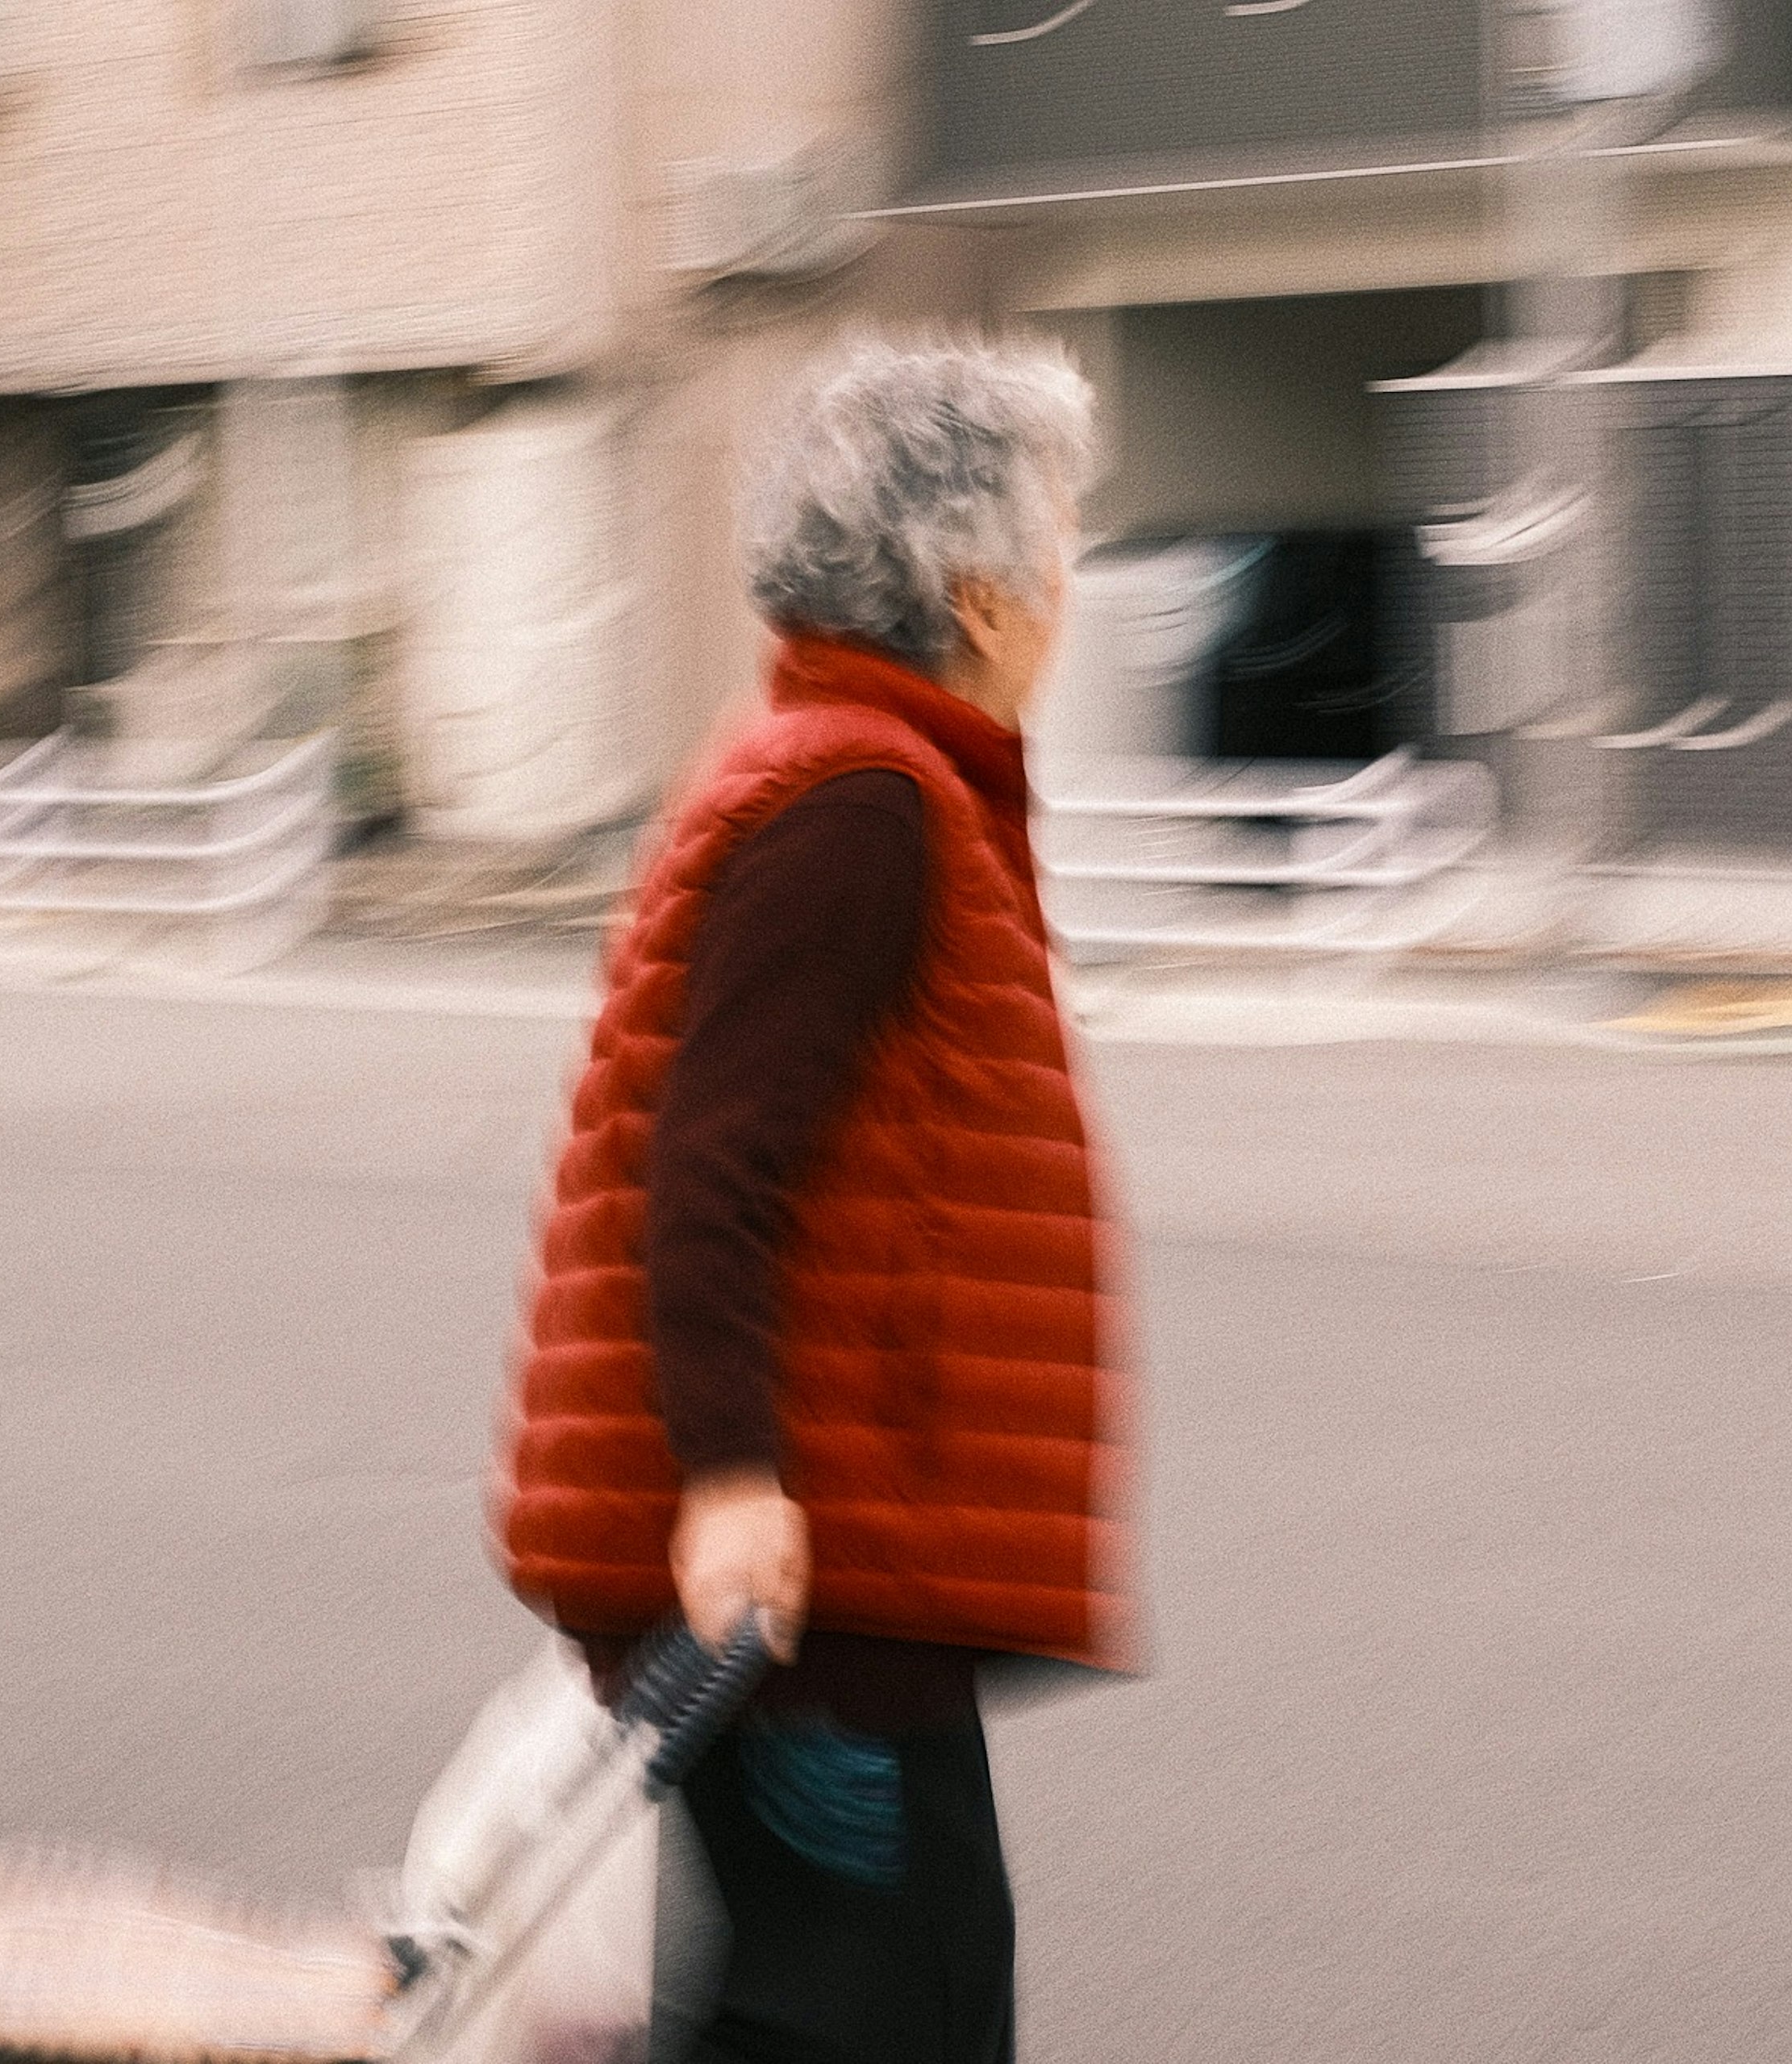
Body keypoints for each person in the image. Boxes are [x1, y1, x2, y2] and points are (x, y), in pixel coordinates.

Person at [490, 333, 1133, 2064]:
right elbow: (711, 1163)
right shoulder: (860, 796)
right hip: (794, 1586)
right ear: (979, 590)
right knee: (869, 2009)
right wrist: (731, 1476)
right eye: (1062, 541)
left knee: (871, 1995)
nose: (1074, 587)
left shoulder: (842, 761)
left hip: (835, 1570)